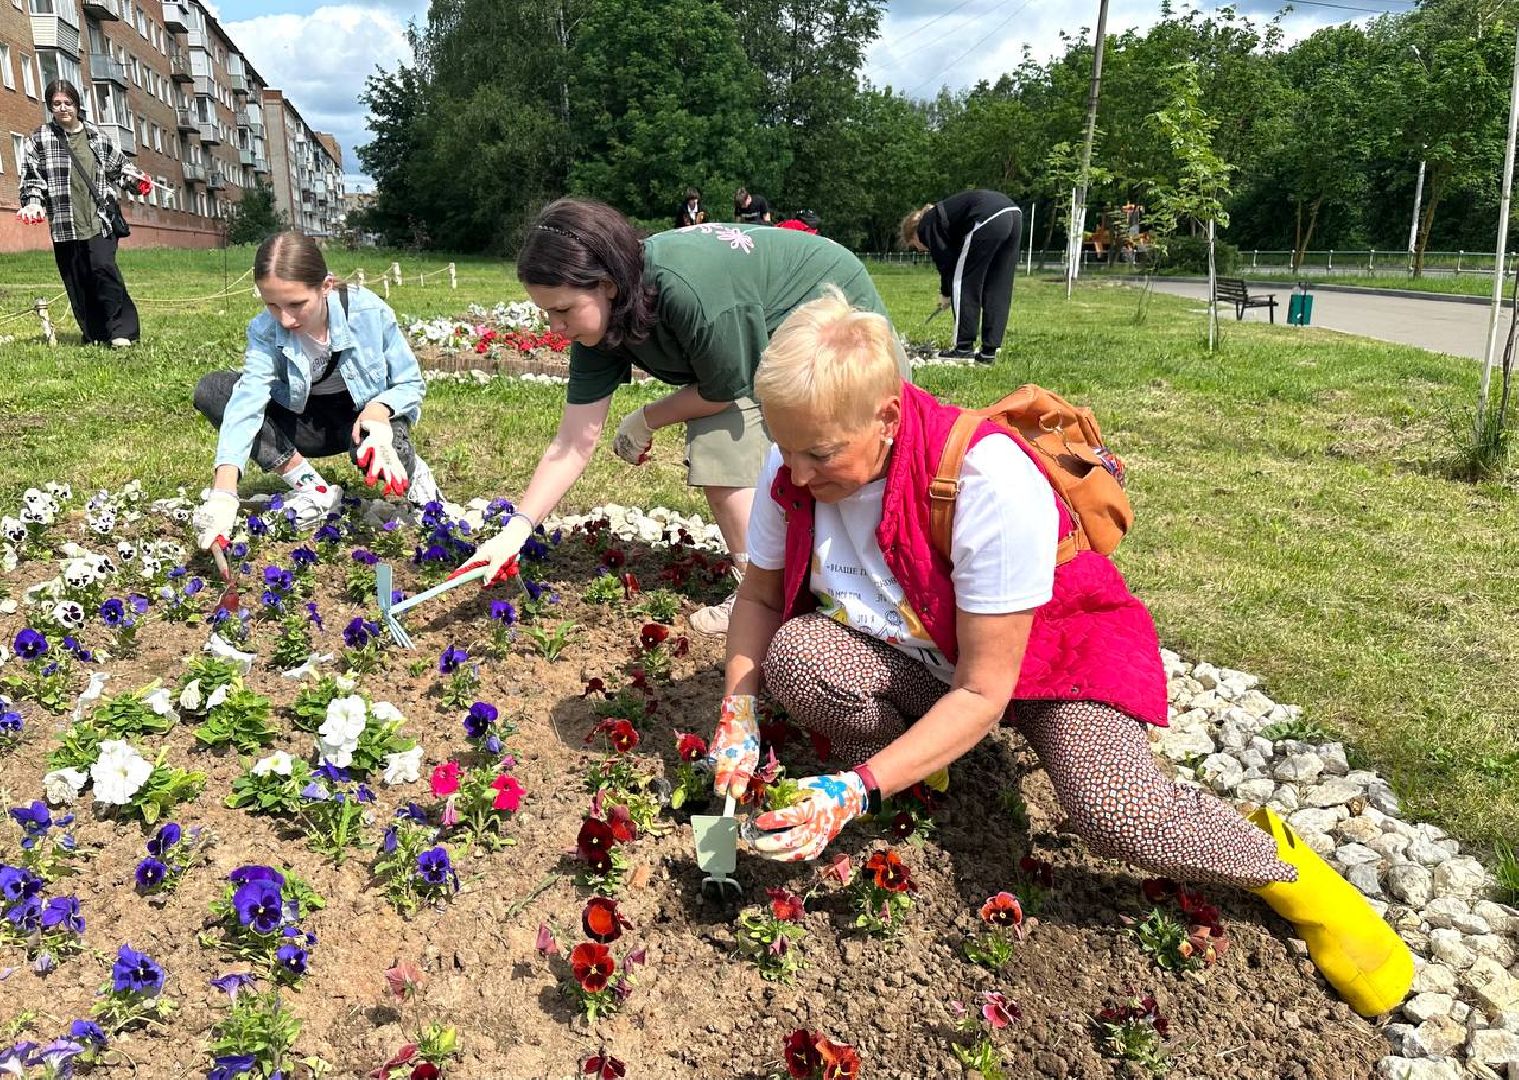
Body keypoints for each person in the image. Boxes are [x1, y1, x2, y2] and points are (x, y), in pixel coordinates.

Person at [707, 289, 1414, 1020]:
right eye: (783, 448)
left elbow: (986, 689)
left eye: (818, 454)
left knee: (1116, 812)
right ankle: (930, 761)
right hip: (926, 653)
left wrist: (852, 790)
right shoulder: (795, 463)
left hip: (1052, 662)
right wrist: (738, 711)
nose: (792, 475)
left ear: (886, 415)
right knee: (797, 657)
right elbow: (759, 601)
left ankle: (1289, 875)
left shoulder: (983, 480)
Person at [453, 197, 897, 636]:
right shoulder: (602, 326)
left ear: (607, 283)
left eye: (563, 310)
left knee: (753, 441)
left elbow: (723, 390)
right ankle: (764, 584)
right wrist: (516, 531)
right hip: (755, 338)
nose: (555, 327)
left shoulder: (686, 289)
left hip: (833, 312)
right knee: (725, 439)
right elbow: (572, 443)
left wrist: (646, 418)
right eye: (547, 312)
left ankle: (782, 591)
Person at [190, 231, 441, 547]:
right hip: (303, 421)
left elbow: (410, 382)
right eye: (272, 305)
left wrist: (378, 411)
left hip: (363, 421)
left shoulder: (368, 312)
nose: (285, 319)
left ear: (326, 286)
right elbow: (247, 401)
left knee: (383, 452)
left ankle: (415, 472)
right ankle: (314, 491)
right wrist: (224, 493)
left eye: (296, 304)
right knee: (214, 390)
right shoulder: (265, 331)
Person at [16, 79, 150, 349]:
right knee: (78, 279)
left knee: (104, 269)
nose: (63, 108)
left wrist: (138, 182)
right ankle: (96, 334)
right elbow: (32, 180)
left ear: (77, 104)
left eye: (68, 103)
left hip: (99, 220)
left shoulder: (95, 136)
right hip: (65, 224)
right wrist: (32, 203)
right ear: (50, 106)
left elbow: (120, 168)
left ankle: (121, 330)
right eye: (56, 104)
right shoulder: (39, 139)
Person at [900, 190, 1022, 365]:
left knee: (964, 282)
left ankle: (963, 348)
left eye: (914, 246)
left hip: (987, 216)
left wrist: (945, 294)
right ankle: (989, 351)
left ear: (914, 233)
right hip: (1013, 213)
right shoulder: (945, 220)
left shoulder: (926, 225)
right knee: (998, 285)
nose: (920, 250)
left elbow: (947, 264)